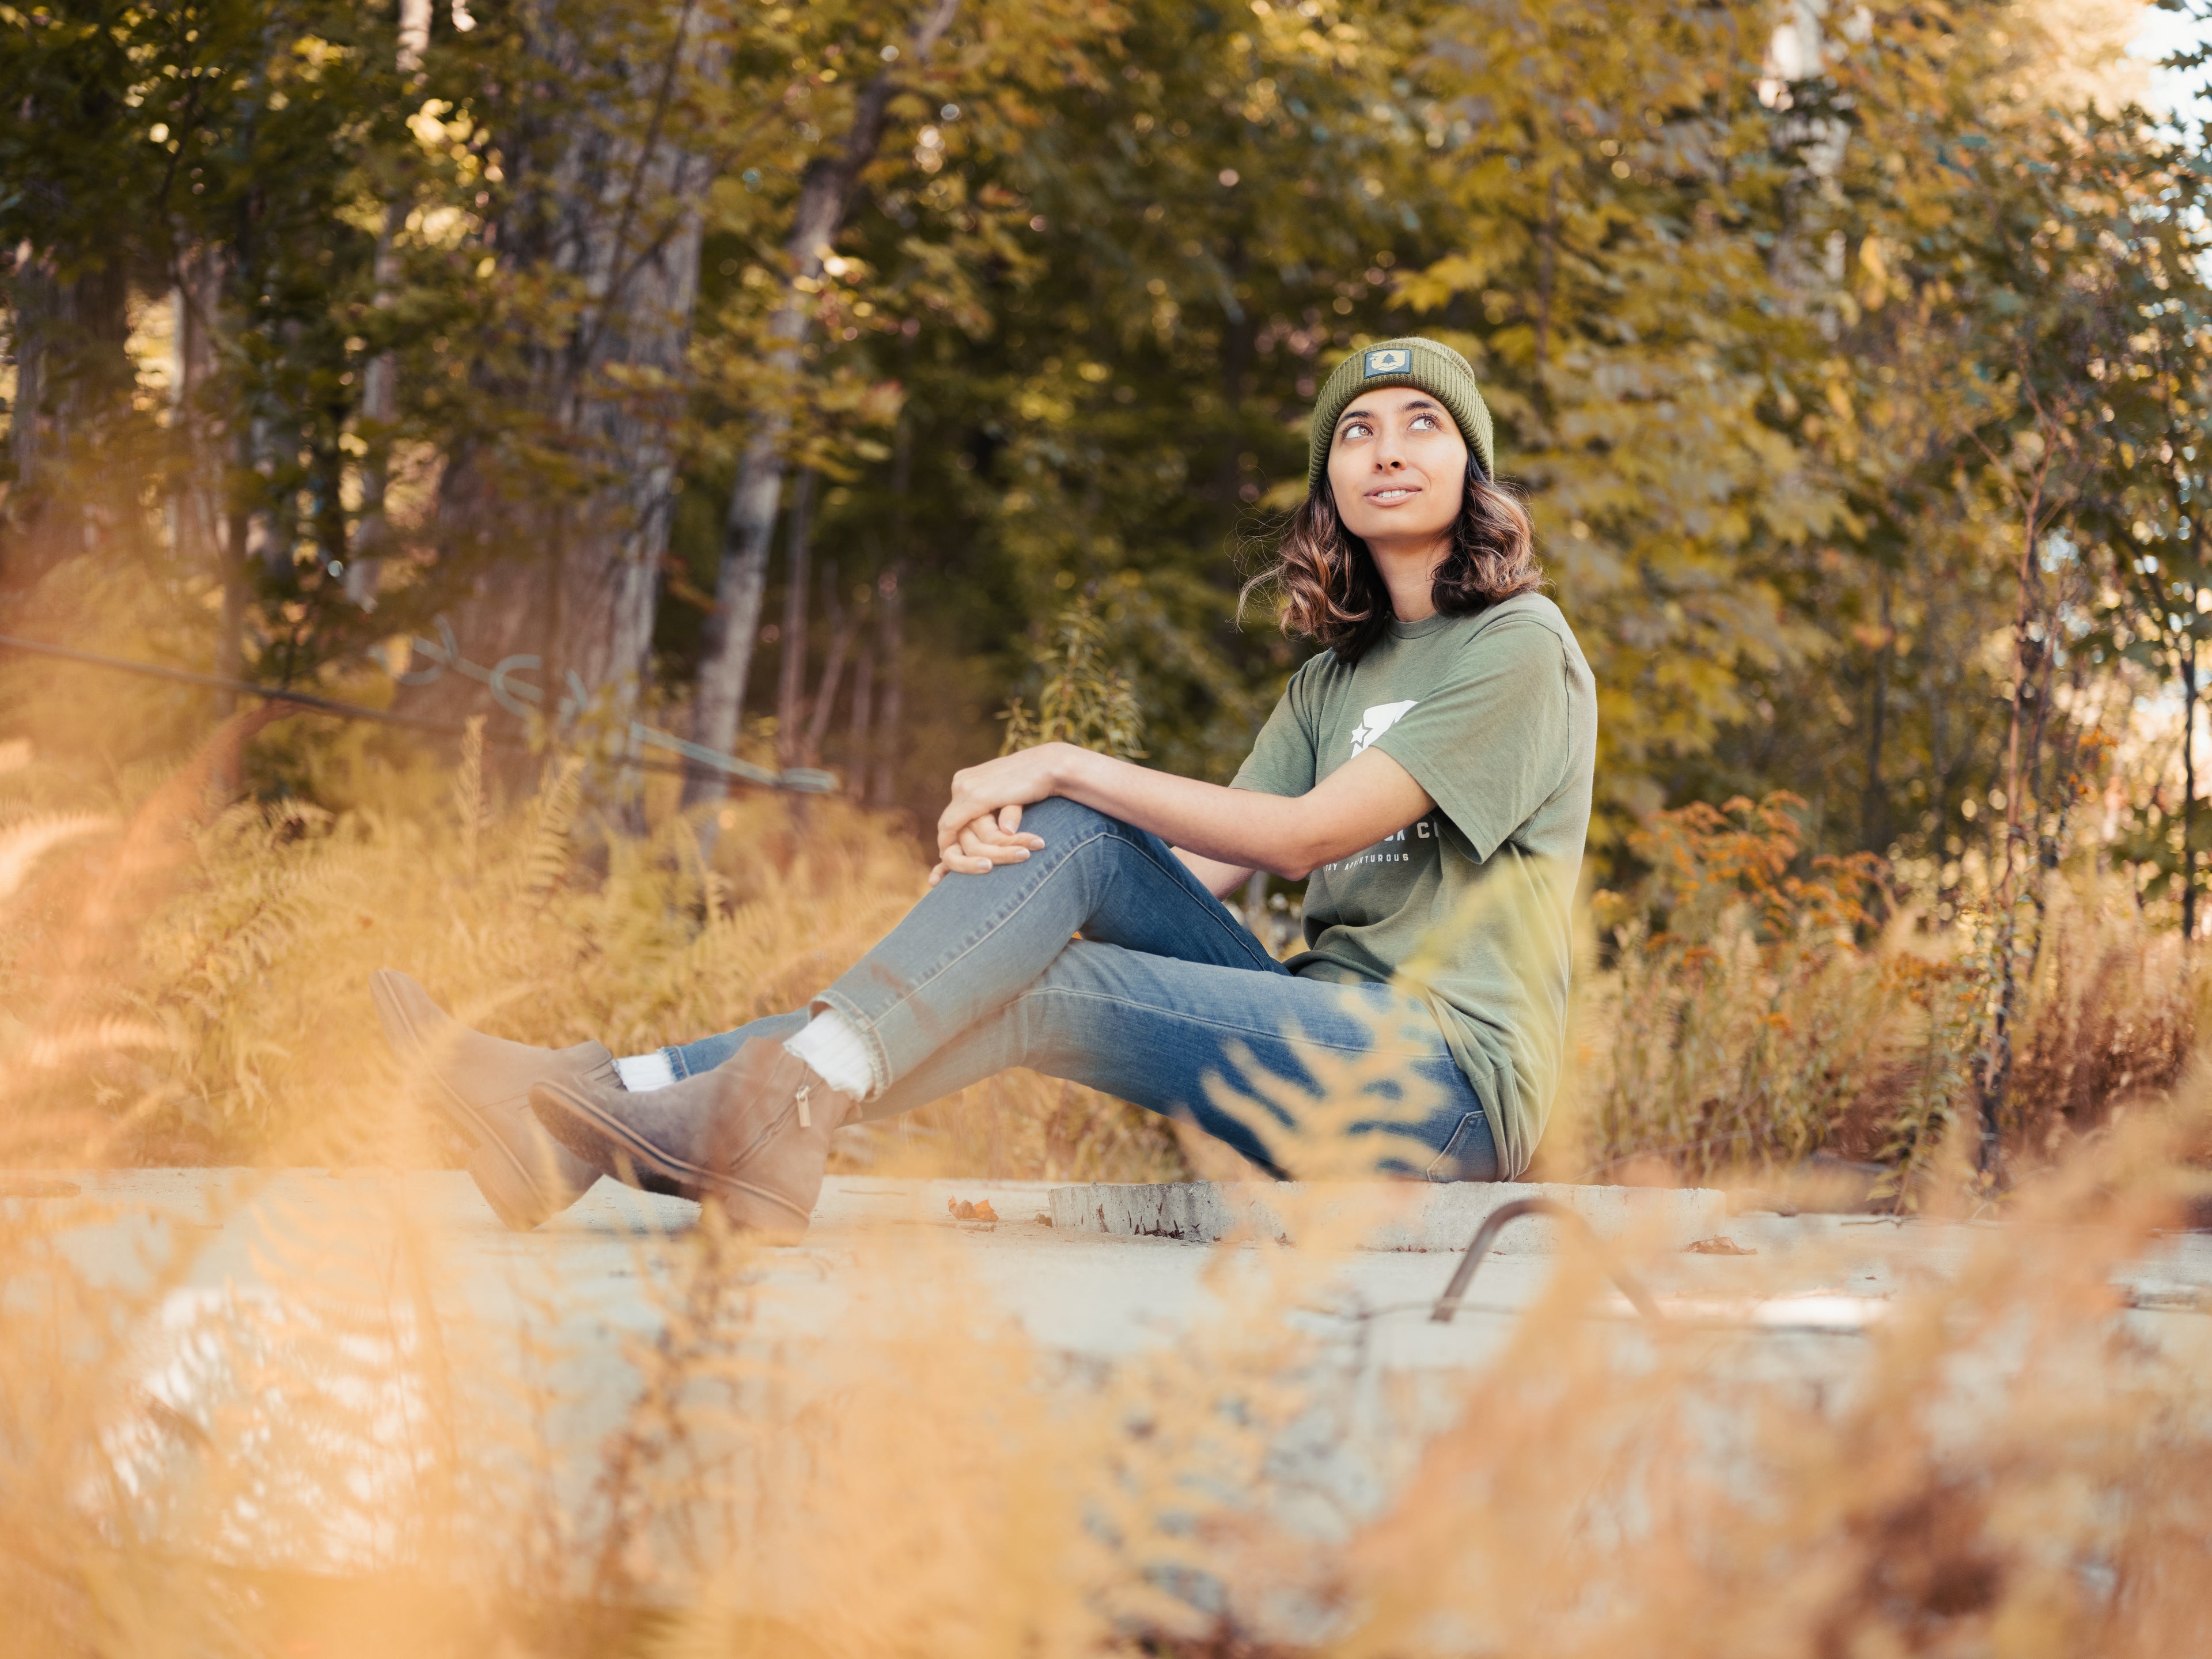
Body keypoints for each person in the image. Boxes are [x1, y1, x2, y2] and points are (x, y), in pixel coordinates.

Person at [372, 336, 1597, 1239]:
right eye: (1356, 431)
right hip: (1305, 1038)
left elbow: (1298, 839)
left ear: (1473, 467)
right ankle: (594, 1105)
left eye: (1420, 425)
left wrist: (1061, 758)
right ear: (1329, 485)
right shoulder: (1331, 684)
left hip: (1441, 1093)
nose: (1386, 450)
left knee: (1053, 931)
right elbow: (1186, 873)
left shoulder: (1519, 647)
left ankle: (738, 1116)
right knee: (1063, 852)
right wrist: (1003, 889)